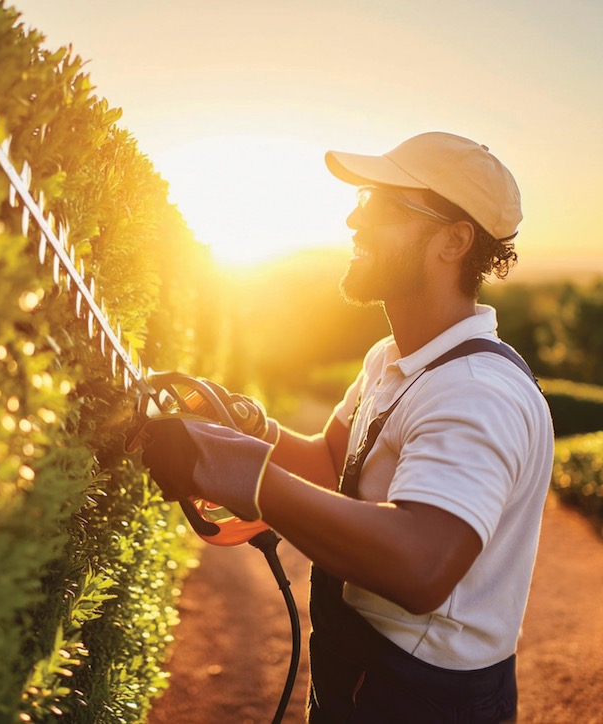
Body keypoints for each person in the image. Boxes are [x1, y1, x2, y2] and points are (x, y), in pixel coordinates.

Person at [138, 131, 554, 722]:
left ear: (454, 241)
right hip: (358, 670)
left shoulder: (476, 393)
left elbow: (422, 566)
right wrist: (247, 429)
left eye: (382, 205)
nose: (354, 219)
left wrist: (246, 476)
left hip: (427, 701)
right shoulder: (392, 357)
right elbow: (333, 462)